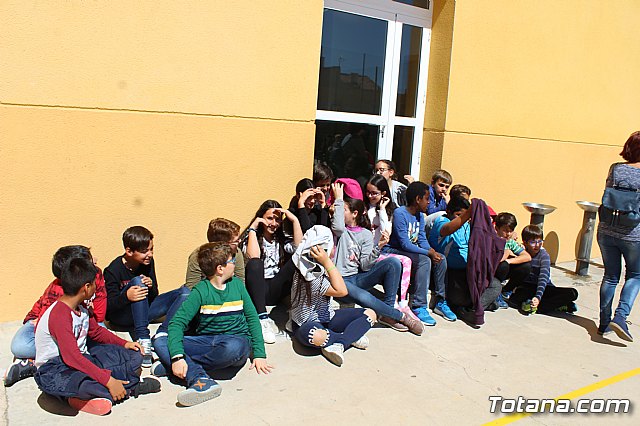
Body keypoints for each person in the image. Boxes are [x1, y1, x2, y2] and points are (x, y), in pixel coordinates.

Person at [34, 257, 160, 416]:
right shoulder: (59, 315)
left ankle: (105, 393)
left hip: (84, 359)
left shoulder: (81, 307)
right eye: (95, 284)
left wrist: (125, 344)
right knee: (88, 385)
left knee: (135, 357)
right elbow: (71, 357)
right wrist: (109, 381)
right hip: (56, 369)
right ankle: (125, 389)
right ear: (86, 287)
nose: (97, 287)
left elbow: (96, 332)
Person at [157, 243, 273, 406]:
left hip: (236, 342)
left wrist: (260, 354)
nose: (235, 263)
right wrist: (177, 357)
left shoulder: (238, 286)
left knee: (232, 347)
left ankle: (175, 364)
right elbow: (177, 323)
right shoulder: (200, 291)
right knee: (160, 340)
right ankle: (199, 378)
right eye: (231, 260)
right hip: (206, 341)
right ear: (220, 268)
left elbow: (252, 318)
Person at [4, 245, 107, 387]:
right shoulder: (59, 291)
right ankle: (34, 364)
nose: (95, 262)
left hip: (78, 325)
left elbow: (100, 315)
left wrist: (87, 315)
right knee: (20, 346)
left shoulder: (96, 275)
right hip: (41, 326)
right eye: (90, 261)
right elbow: (48, 325)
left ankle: (51, 359)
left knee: (100, 332)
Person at [331, 183, 423, 335]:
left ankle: (387, 313)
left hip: (356, 278)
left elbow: (366, 266)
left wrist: (378, 246)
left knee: (393, 262)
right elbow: (338, 225)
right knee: (363, 296)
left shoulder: (366, 234)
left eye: (344, 210)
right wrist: (339, 200)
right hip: (339, 280)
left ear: (355, 214)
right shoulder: (340, 232)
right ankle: (399, 316)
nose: (339, 212)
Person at [104, 226, 190, 367]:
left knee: (185, 292)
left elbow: (155, 295)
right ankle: (144, 338)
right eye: (144, 251)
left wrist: (150, 287)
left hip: (144, 311)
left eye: (151, 249)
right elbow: (109, 308)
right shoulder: (113, 270)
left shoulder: (148, 263)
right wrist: (126, 296)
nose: (149, 254)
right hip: (122, 317)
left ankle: (163, 334)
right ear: (129, 251)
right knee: (138, 281)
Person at [290, 226, 375, 366]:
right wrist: (327, 261)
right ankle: (347, 338)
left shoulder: (317, 268)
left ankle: (338, 342)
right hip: (306, 325)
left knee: (370, 313)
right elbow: (342, 291)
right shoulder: (309, 274)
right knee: (317, 336)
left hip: (326, 316)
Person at [385, 181, 452, 325]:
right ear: (417, 199)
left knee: (441, 259)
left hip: (412, 250)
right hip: (395, 250)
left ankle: (441, 300)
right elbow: (404, 243)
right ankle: (418, 305)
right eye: (427, 199)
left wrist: (432, 251)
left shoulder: (420, 216)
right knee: (424, 260)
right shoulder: (400, 213)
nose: (429, 202)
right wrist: (428, 253)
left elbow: (421, 238)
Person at [597, 131, 640, 341]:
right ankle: (621, 317)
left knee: (610, 276)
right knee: (635, 275)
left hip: (606, 229)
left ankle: (604, 323)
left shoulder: (615, 169)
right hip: (633, 234)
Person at [242, 200, 302, 344]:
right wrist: (252, 229)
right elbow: (253, 257)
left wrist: (294, 220)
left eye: (277, 220)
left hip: (276, 288)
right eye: (269, 218)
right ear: (261, 218)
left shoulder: (281, 240)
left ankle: (296, 315)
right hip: (257, 291)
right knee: (256, 263)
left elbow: (300, 248)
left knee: (298, 259)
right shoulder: (252, 239)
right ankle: (262, 320)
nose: (273, 223)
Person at [364, 174, 414, 318]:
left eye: (374, 193)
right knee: (392, 264)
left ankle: (403, 301)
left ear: (384, 193)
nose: (370, 196)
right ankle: (392, 303)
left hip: (381, 249)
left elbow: (387, 232)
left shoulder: (389, 210)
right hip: (369, 252)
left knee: (406, 260)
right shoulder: (364, 208)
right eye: (368, 192)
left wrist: (382, 210)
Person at [508, 225, 578, 315]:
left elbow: (543, 278)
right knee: (516, 299)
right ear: (525, 242)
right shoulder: (521, 252)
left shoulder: (544, 256)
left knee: (572, 293)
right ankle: (554, 305)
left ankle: (537, 306)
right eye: (533, 242)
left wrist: (538, 297)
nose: (537, 245)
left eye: (540, 241)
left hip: (543, 288)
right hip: (527, 287)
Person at [185, 218, 245, 289]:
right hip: (204, 293)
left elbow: (241, 282)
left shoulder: (236, 253)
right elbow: (191, 287)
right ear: (223, 244)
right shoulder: (198, 256)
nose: (239, 242)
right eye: (236, 241)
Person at [493, 212, 532, 306]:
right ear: (497, 228)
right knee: (503, 266)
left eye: (511, 231)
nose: (509, 234)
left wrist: (509, 260)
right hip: (492, 272)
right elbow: (498, 260)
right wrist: (507, 252)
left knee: (526, 267)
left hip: (503, 269)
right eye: (505, 230)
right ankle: (495, 292)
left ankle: (506, 291)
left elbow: (527, 256)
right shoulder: (491, 240)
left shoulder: (510, 242)